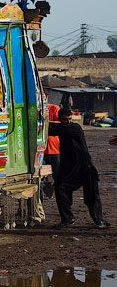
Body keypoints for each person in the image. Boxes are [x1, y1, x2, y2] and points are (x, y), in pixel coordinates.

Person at [48, 98, 108, 229]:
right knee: (60, 188)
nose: (68, 122)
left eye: (69, 119)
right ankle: (67, 219)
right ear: (61, 119)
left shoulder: (75, 128)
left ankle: (99, 221)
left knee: (92, 195)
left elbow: (51, 127)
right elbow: (50, 129)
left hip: (85, 167)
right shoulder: (61, 129)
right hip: (71, 169)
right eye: (65, 120)